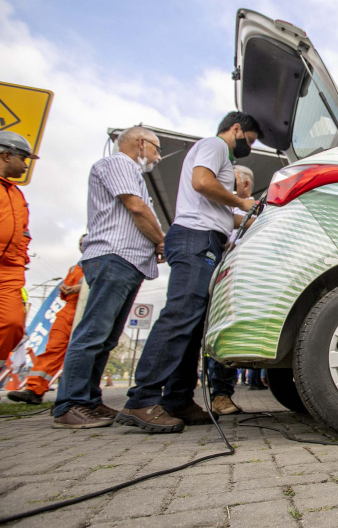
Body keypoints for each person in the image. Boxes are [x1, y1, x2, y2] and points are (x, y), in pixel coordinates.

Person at [118, 112, 261, 433]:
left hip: (205, 237)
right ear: (236, 129)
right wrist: (242, 200)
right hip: (196, 238)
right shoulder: (214, 145)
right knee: (181, 316)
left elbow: (223, 212)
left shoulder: (218, 156)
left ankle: (178, 399)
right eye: (249, 140)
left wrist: (255, 217)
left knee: (193, 325)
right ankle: (142, 399)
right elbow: (202, 183)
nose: (248, 146)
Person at [52, 126, 165, 429]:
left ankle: (88, 401)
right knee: (93, 334)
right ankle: (69, 405)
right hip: (114, 257)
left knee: (106, 338)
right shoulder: (119, 164)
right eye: (156, 148)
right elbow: (136, 208)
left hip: (126, 261)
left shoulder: (131, 171)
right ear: (140, 143)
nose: (157, 156)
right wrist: (161, 240)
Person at [8, 236, 86, 404]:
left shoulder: (103, 264)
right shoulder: (75, 268)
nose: (82, 246)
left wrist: (81, 288)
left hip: (87, 311)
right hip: (69, 310)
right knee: (52, 350)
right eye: (80, 243)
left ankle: (72, 398)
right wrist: (64, 288)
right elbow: (65, 293)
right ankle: (34, 390)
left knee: (81, 354)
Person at [206, 164, 255, 415]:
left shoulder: (256, 210)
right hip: (218, 272)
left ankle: (222, 395)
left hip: (239, 279)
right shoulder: (221, 208)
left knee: (227, 334)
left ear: (244, 184)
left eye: (230, 178)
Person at [0, 132, 37, 362]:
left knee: (13, 324)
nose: (25, 166)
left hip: (10, 270)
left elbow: (24, 232)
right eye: (23, 159)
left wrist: (20, 258)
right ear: (6, 155)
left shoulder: (17, 195)